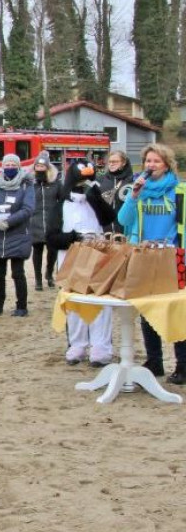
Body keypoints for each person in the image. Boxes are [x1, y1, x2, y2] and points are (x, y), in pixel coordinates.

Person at [117, 143, 186, 382]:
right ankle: (154, 361)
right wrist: (134, 195)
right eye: (148, 161)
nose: (151, 165)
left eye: (156, 161)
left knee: (177, 310)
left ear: (167, 165)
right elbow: (123, 220)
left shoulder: (179, 190)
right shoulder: (139, 189)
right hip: (144, 256)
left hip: (172, 256)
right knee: (146, 310)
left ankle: (182, 365)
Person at [47, 160, 116, 367]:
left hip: (97, 256)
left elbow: (109, 217)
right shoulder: (61, 206)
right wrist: (72, 238)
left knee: (100, 301)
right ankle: (77, 344)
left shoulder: (94, 202)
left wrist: (95, 194)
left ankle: (101, 346)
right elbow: (51, 237)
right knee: (75, 302)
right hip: (71, 259)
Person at [0, 153, 35, 317]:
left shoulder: (26, 185)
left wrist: (9, 222)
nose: (10, 167)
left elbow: (28, 209)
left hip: (18, 233)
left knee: (18, 272)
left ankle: (21, 306)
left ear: (19, 166)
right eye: (7, 165)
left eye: (13, 165)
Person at [28, 151, 61, 291]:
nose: (40, 169)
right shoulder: (30, 184)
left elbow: (62, 200)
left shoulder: (56, 184)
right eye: (38, 166)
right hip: (35, 221)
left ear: (48, 168)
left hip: (51, 222)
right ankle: (38, 279)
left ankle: (49, 273)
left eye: (43, 166)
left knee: (52, 251)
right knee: (37, 250)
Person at [97, 150, 134, 234]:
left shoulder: (131, 180)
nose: (111, 164)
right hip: (105, 230)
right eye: (110, 162)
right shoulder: (101, 180)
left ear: (124, 162)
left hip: (125, 230)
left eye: (115, 162)